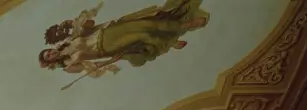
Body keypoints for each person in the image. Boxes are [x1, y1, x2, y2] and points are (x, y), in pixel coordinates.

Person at [39, 1, 210, 80]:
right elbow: (91, 69)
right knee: (142, 36)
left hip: (106, 32)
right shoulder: (68, 66)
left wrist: (76, 23)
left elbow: (88, 28)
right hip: (105, 47)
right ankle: (175, 36)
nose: (51, 53)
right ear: (50, 62)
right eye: (48, 56)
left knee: (147, 23)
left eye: (48, 51)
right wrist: (106, 63)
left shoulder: (70, 40)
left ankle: (186, 23)